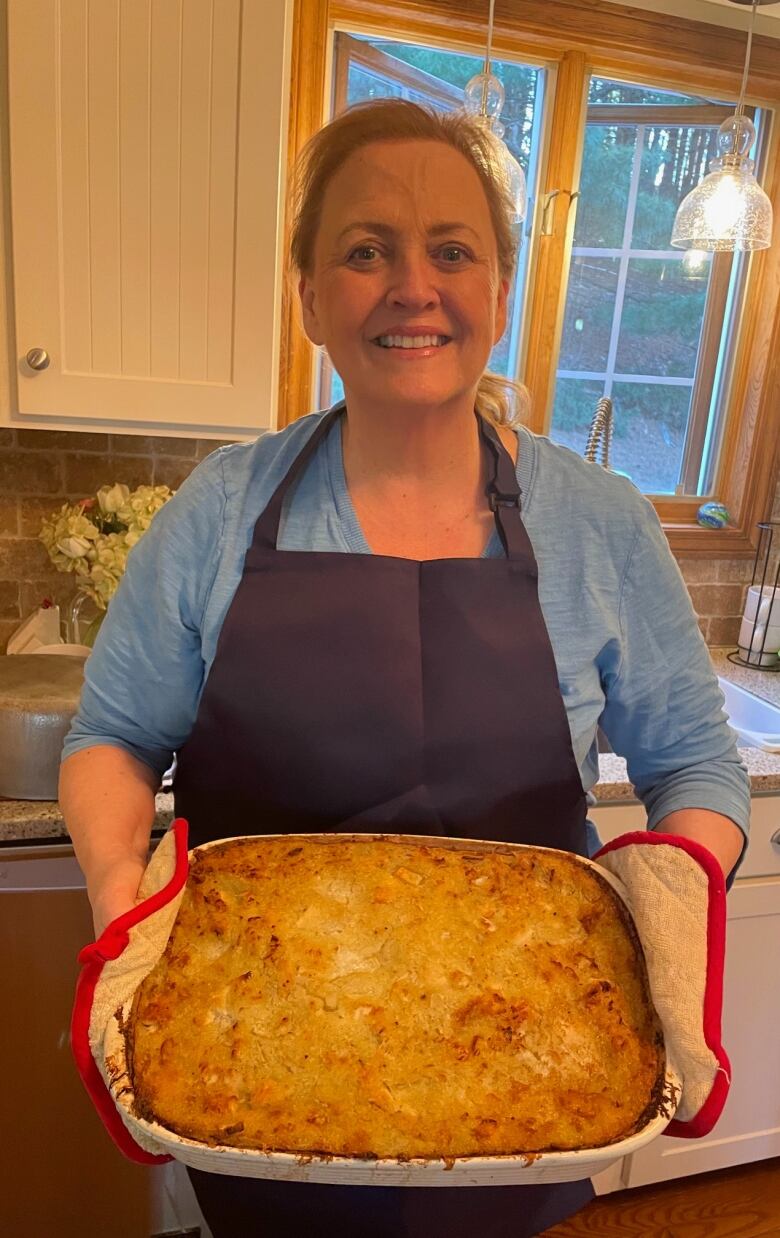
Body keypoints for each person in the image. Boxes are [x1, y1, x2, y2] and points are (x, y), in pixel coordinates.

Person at [61, 99, 749, 1238]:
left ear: (500, 289)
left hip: (540, 1064)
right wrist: (117, 897)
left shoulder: (603, 525)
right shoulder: (219, 511)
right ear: (310, 295)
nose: (411, 285)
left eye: (452, 250)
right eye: (365, 249)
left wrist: (673, 897)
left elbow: (696, 764)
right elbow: (115, 735)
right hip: (243, 1066)